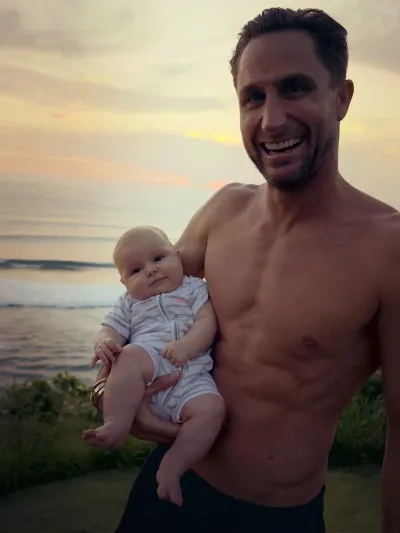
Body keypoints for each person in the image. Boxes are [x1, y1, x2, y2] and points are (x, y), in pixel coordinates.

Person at [91, 7, 400, 533]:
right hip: (167, 488)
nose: (271, 120)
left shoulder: (387, 247)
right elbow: (141, 307)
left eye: (295, 88)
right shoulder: (223, 211)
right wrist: (107, 392)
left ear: (342, 98)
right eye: (253, 97)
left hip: (274, 517)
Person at [84, 226, 225, 506]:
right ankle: (115, 424)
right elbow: (110, 329)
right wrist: (104, 343)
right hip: (150, 363)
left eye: (158, 258)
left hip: (192, 376)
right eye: (136, 270)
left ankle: (173, 465)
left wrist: (187, 346)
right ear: (124, 283)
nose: (150, 270)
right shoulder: (129, 304)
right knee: (127, 356)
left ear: (177, 256)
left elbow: (206, 322)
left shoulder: (194, 288)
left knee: (212, 409)